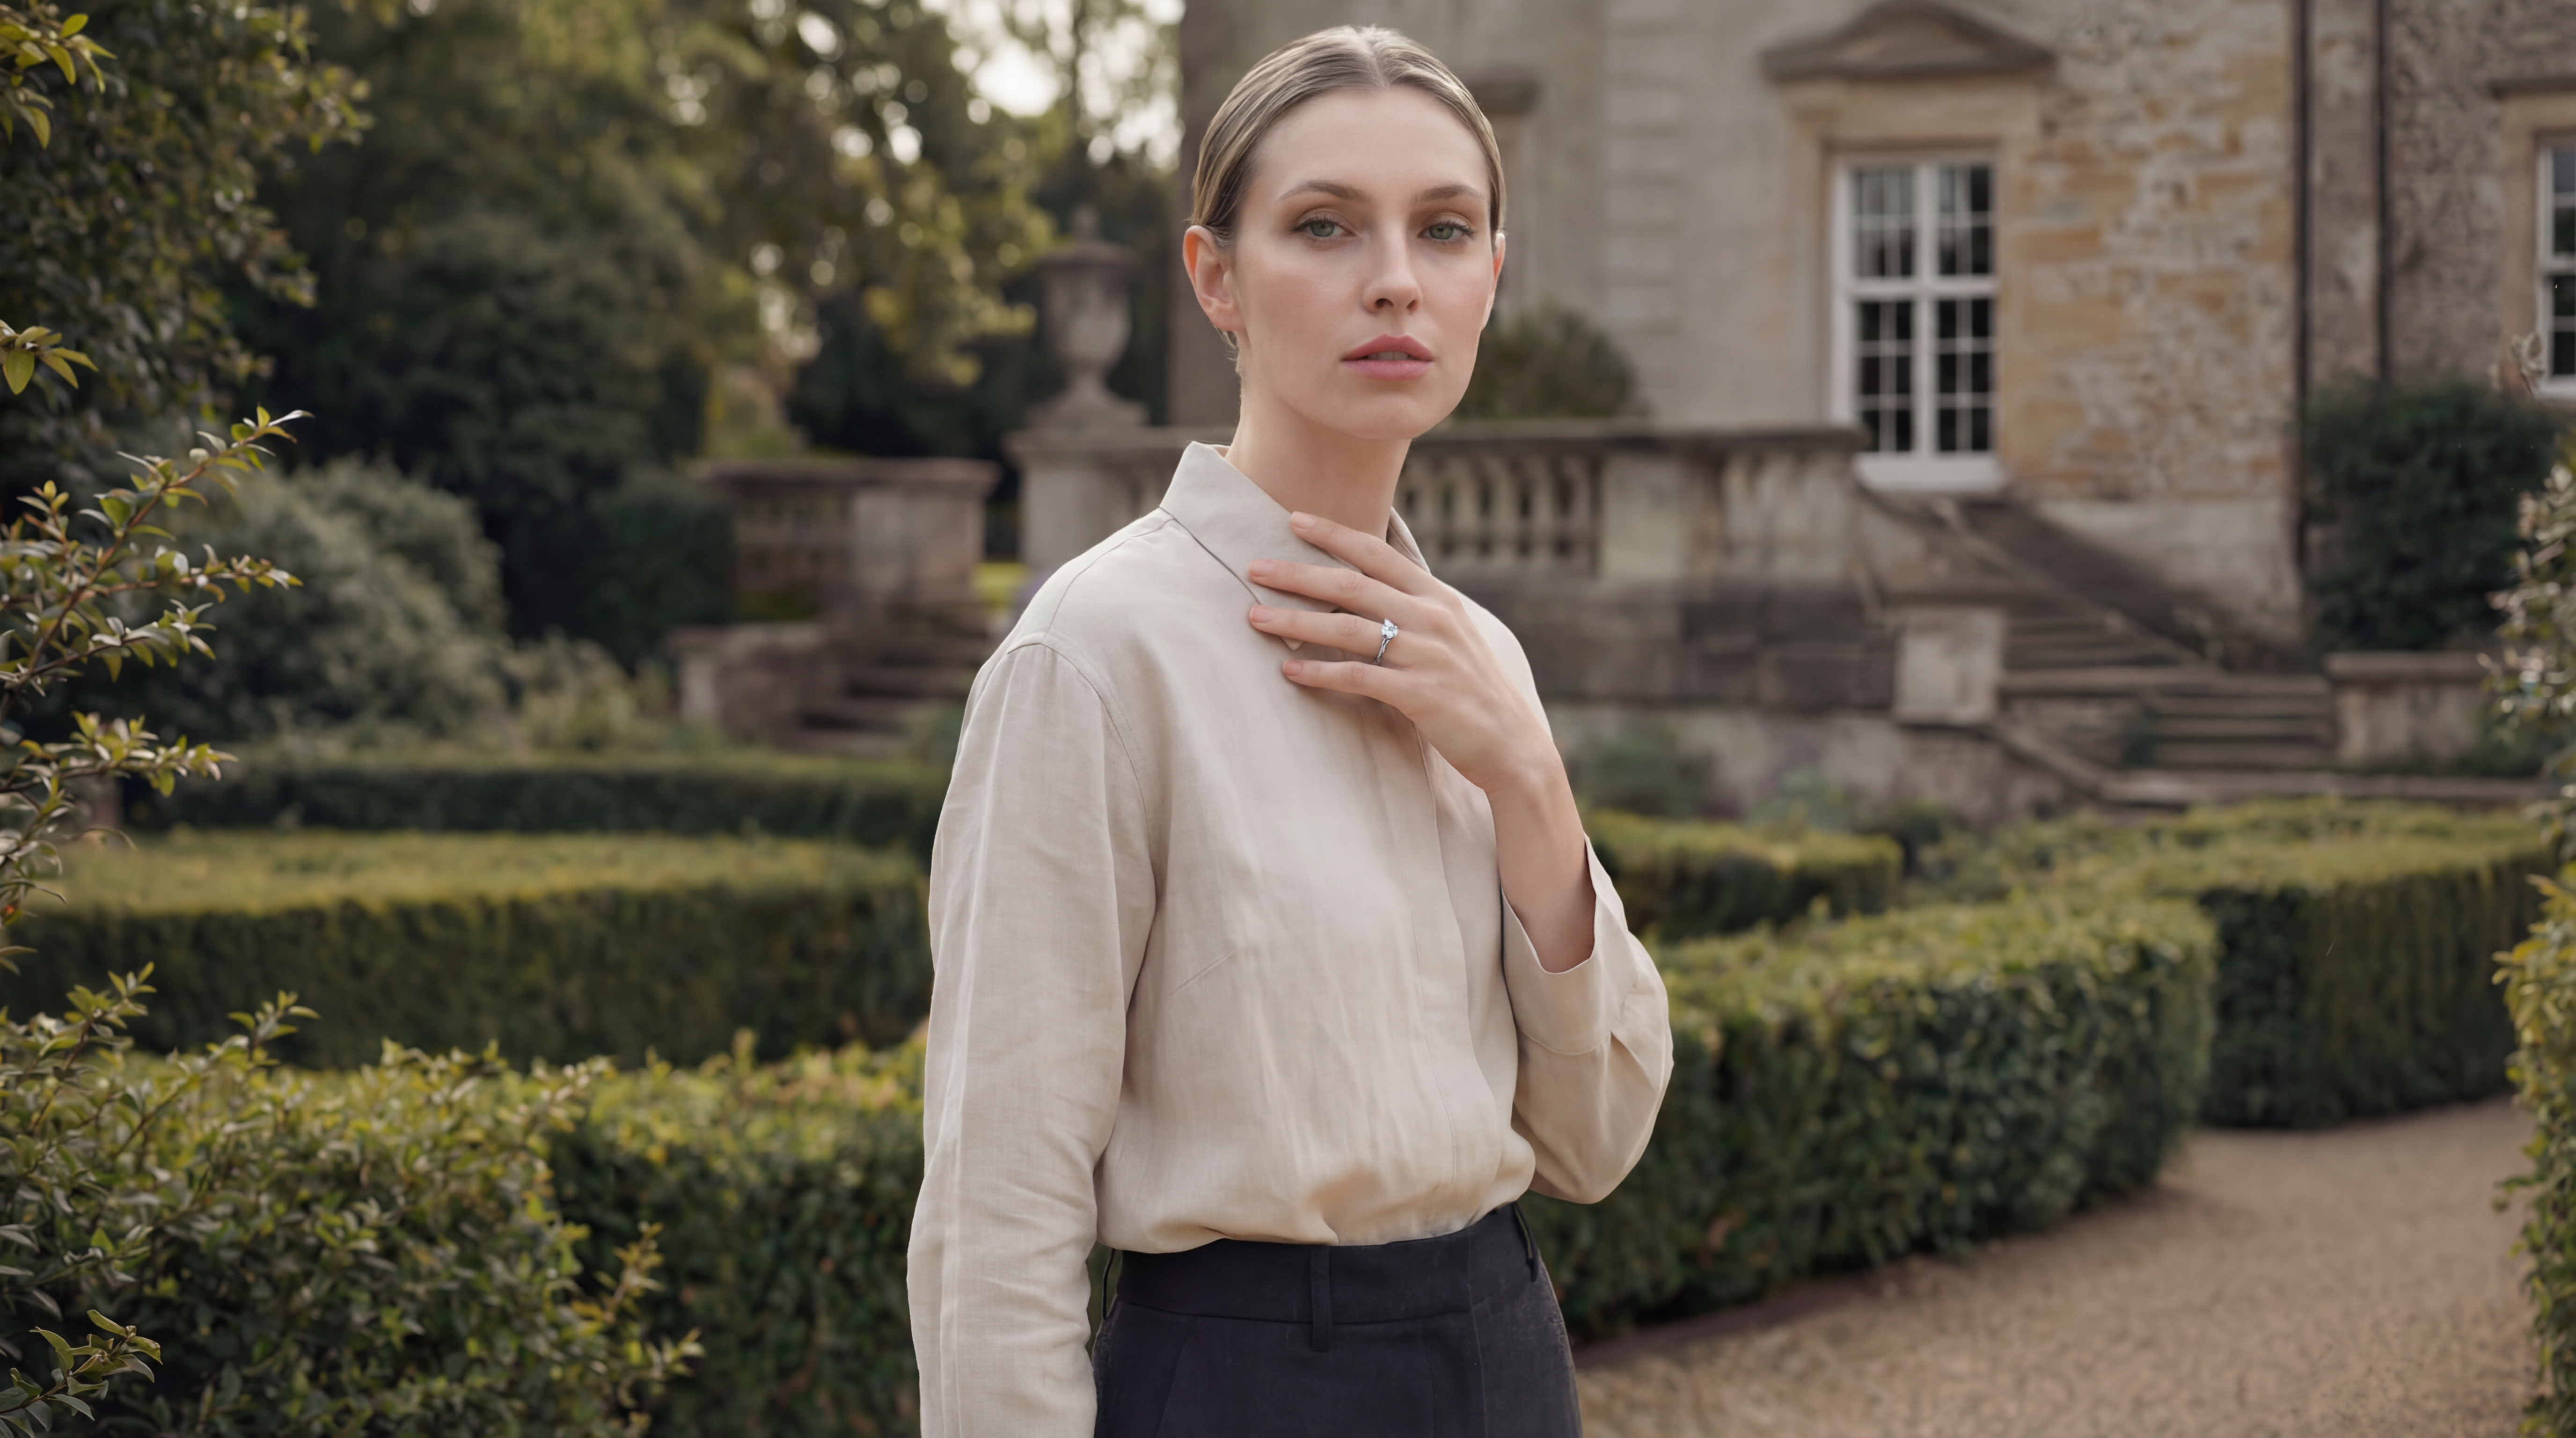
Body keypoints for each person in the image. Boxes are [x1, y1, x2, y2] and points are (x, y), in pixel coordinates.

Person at [908, 24, 1674, 1436]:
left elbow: (1594, 1139)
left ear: (1491, 279)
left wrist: (1528, 775)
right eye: (1324, 226)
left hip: (1507, 1360)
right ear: (1218, 279)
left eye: (1444, 229)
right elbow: (995, 1201)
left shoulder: (1481, 660)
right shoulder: (1094, 655)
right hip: (1240, 1386)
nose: (1395, 277)